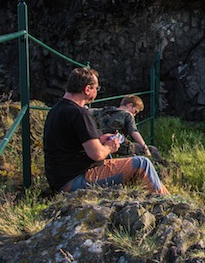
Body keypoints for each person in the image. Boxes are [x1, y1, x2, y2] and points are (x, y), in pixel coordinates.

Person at [43, 67, 169, 195]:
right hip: (75, 180)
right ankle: (167, 203)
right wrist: (109, 147)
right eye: (96, 88)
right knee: (143, 163)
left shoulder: (56, 110)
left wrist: (100, 140)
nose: (97, 91)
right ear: (87, 89)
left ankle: (164, 199)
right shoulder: (79, 114)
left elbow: (71, 144)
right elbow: (96, 154)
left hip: (60, 179)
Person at [92, 95, 163, 163]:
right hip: (120, 145)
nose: (134, 115)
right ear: (130, 105)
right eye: (135, 111)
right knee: (152, 149)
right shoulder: (127, 115)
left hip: (103, 144)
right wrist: (145, 148)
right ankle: (159, 165)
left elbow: (90, 111)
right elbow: (134, 132)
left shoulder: (106, 110)